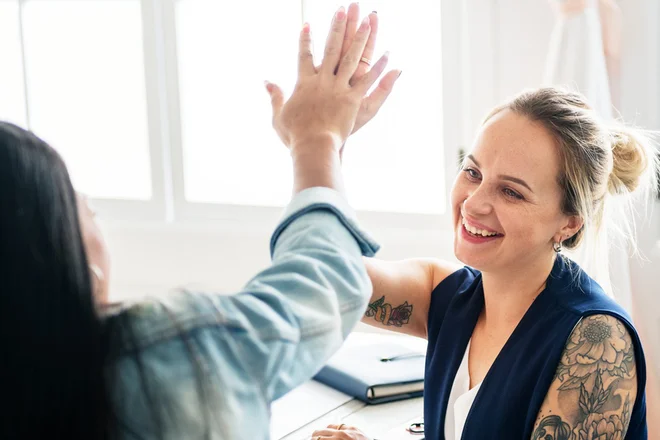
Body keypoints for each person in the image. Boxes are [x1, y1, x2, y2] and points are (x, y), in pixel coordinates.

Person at [0, 5, 401, 439]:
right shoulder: (162, 353)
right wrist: (317, 139)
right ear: (68, 261)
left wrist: (324, 149)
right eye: (86, 210)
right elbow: (322, 286)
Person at [313, 87, 657, 439]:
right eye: (473, 172)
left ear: (569, 222)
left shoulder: (596, 343)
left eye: (511, 192)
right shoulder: (445, 295)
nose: (473, 204)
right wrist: (321, 142)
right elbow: (320, 278)